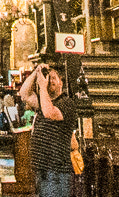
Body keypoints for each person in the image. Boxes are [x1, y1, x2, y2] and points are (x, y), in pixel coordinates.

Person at [20, 61, 80, 197]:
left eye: (54, 78)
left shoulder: (67, 103)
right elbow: (24, 94)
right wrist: (36, 72)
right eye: (48, 77)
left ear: (61, 83)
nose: (50, 80)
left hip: (56, 170)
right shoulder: (45, 102)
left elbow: (49, 113)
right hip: (42, 168)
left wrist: (42, 86)